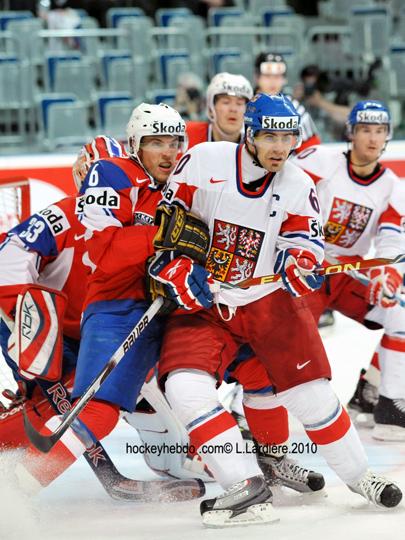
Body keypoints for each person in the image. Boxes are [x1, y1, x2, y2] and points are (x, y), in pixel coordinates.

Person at [147, 93, 402, 526]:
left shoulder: (297, 184)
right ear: (249, 134)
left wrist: (299, 262)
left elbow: (305, 242)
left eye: (287, 138)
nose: (280, 147)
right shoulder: (205, 160)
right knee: (185, 388)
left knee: (309, 394)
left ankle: (360, 476)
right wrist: (175, 266)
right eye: (270, 136)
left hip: (267, 304)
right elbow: (166, 221)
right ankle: (244, 486)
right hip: (206, 306)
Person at [13, 104, 211, 494]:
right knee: (98, 412)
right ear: (136, 145)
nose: (168, 152)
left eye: (175, 142)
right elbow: (104, 252)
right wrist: (159, 237)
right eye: (156, 142)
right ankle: (19, 489)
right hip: (118, 309)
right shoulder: (111, 174)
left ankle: (199, 459)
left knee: (205, 383)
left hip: (170, 310)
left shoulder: (187, 183)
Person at [0, 136, 126, 449]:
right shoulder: (62, 215)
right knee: (51, 403)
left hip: (102, 333)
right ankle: (24, 407)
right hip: (53, 333)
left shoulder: (134, 217)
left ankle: (180, 450)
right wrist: (24, 319)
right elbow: (10, 256)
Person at [292, 100, 405, 442]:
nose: (372, 138)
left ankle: (386, 404)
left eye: (379, 131)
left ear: (387, 136)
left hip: (346, 274)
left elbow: (391, 238)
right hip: (305, 269)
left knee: (400, 315)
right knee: (285, 342)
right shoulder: (319, 162)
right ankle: (243, 408)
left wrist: (387, 274)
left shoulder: (392, 186)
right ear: (351, 133)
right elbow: (282, 199)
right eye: (365, 130)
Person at [254, 52, 321, 153]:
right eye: (267, 76)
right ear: (256, 77)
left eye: (278, 76)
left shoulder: (295, 109)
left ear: (284, 79)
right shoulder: (242, 105)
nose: (273, 81)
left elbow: (312, 152)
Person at [186, 72, 253, 148]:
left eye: (239, 103)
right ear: (211, 109)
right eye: (226, 102)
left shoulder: (255, 145)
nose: (233, 109)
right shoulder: (187, 135)